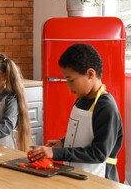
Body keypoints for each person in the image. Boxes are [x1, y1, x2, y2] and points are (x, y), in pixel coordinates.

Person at [29, 43, 123, 182]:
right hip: (78, 174)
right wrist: (63, 142)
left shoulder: (106, 107)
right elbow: (84, 136)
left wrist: (55, 153)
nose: (68, 86)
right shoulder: (81, 100)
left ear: (91, 73)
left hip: (99, 179)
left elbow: (99, 154)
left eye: (71, 80)